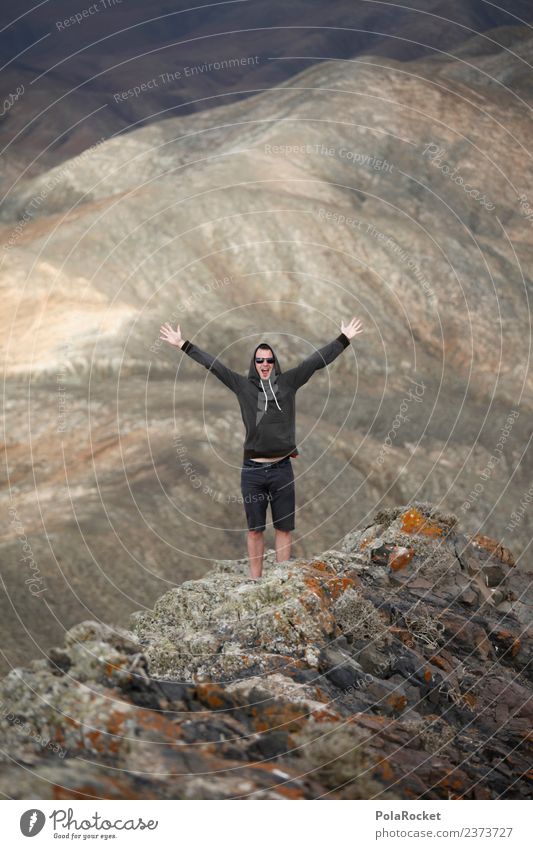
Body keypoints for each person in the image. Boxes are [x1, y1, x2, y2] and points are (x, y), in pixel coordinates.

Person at [159, 317, 364, 578]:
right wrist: (183, 345)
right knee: (255, 529)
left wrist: (343, 339)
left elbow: (315, 362)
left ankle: (281, 579)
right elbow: (215, 366)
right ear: (254, 364)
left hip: (282, 469)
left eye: (269, 360)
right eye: (260, 360)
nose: (264, 364)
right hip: (253, 472)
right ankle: (255, 581)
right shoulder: (242, 386)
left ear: (274, 363)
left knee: (283, 528)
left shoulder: (289, 382)